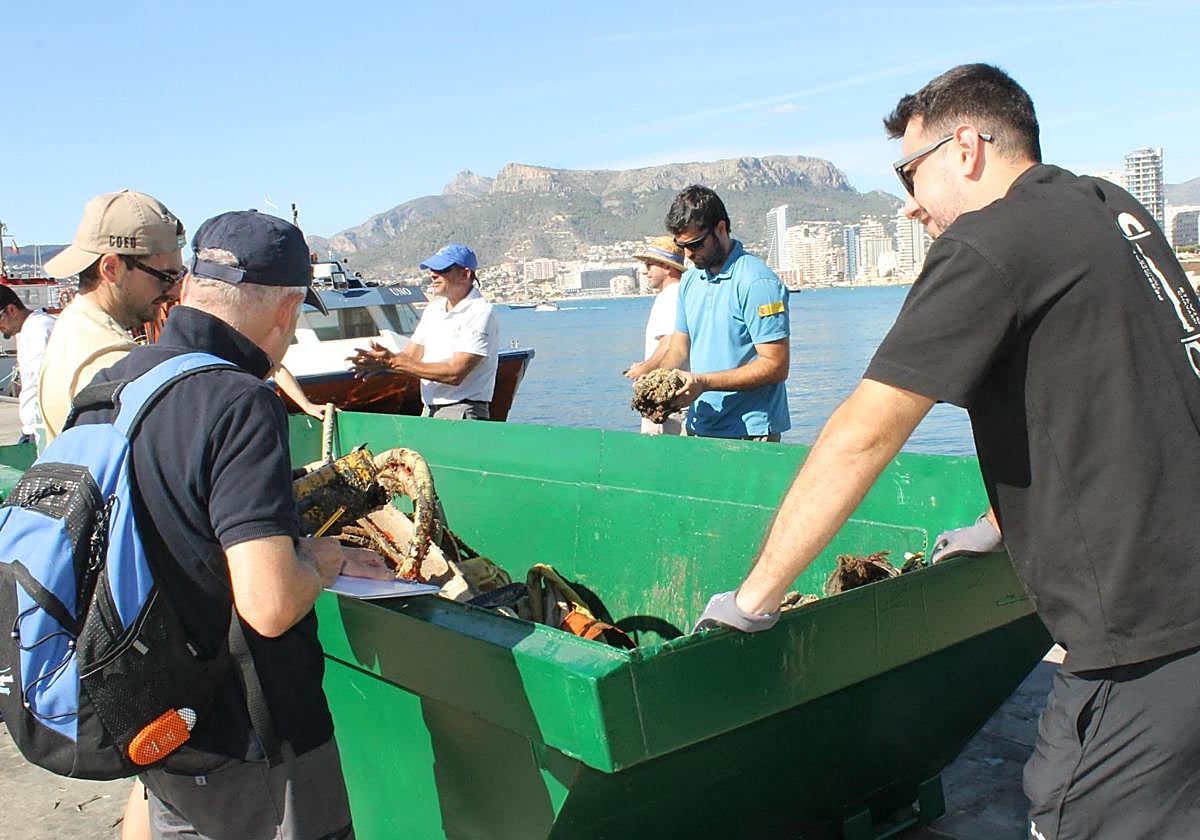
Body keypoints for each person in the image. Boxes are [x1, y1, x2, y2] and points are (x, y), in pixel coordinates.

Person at [695, 64, 1200, 838]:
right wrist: (998, 522)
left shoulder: (988, 244)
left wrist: (752, 604)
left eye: (910, 171)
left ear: (965, 146)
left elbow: (864, 433)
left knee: (1071, 818)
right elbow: (1096, 395)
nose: (907, 202)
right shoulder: (1109, 209)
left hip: (1146, 638)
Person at [75, 209, 388, 839]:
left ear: (189, 288)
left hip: (158, 716)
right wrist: (324, 557)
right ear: (287, 308)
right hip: (251, 738)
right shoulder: (239, 401)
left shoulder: (114, 387)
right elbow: (269, 605)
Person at [39, 189, 186, 443]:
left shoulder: (73, 327)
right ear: (112, 269)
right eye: (165, 277)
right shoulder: (109, 362)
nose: (174, 291)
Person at [646, 186, 791, 440]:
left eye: (696, 244)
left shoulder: (757, 283)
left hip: (750, 432)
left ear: (721, 229)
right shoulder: (690, 281)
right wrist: (655, 382)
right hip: (699, 425)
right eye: (683, 247)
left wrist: (704, 382)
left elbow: (775, 366)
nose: (689, 255)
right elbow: (679, 349)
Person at [349, 243, 499, 420]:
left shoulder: (480, 312)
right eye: (432, 269)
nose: (433, 274)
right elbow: (410, 357)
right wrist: (382, 361)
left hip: (462, 411)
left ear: (465, 274)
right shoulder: (433, 310)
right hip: (429, 409)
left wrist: (393, 362)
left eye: (442, 269)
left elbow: (455, 373)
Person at [624, 236, 687, 434]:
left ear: (667, 267)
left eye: (650, 265)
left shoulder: (669, 297)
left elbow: (668, 342)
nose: (645, 271)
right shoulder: (681, 294)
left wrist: (644, 369)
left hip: (666, 401)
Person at [0, 284, 55, 444]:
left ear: (11, 310)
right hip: (33, 427)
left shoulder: (41, 328)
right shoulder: (26, 331)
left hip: (44, 428)